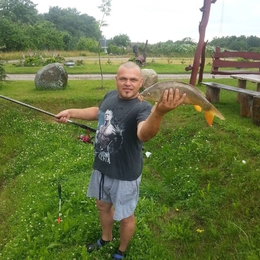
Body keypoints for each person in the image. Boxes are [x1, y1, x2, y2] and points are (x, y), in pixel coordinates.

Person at [55, 61, 186, 259]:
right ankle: (106, 238)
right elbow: (98, 112)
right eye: (123, 78)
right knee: (102, 206)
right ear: (116, 80)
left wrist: (158, 112)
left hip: (125, 174)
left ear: (141, 82)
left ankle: (121, 250)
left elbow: (144, 134)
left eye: (133, 79)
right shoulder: (109, 96)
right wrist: (71, 112)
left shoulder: (144, 107)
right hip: (101, 167)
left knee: (125, 216)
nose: (127, 83)